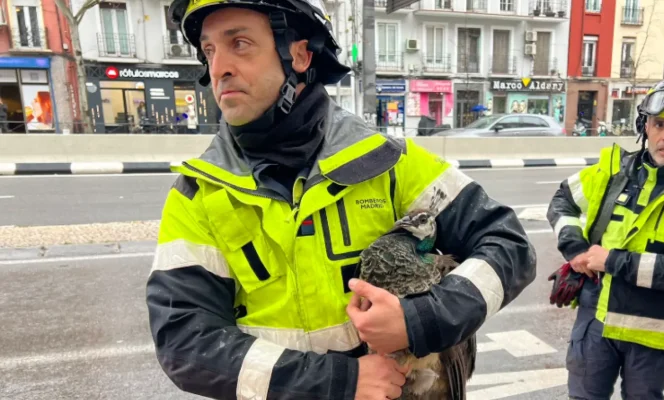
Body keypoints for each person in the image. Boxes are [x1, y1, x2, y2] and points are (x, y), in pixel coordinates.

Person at [145, 0, 537, 399]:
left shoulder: (389, 161)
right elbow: (186, 344)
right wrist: (339, 382)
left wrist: (419, 320)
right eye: (209, 50)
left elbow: (509, 246)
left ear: (298, 54)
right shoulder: (197, 193)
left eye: (240, 44)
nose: (219, 67)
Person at [546, 73, 664, 400]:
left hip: (653, 337)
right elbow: (563, 201)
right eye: (658, 124)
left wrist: (610, 260)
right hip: (595, 325)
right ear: (645, 125)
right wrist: (575, 249)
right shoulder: (615, 172)